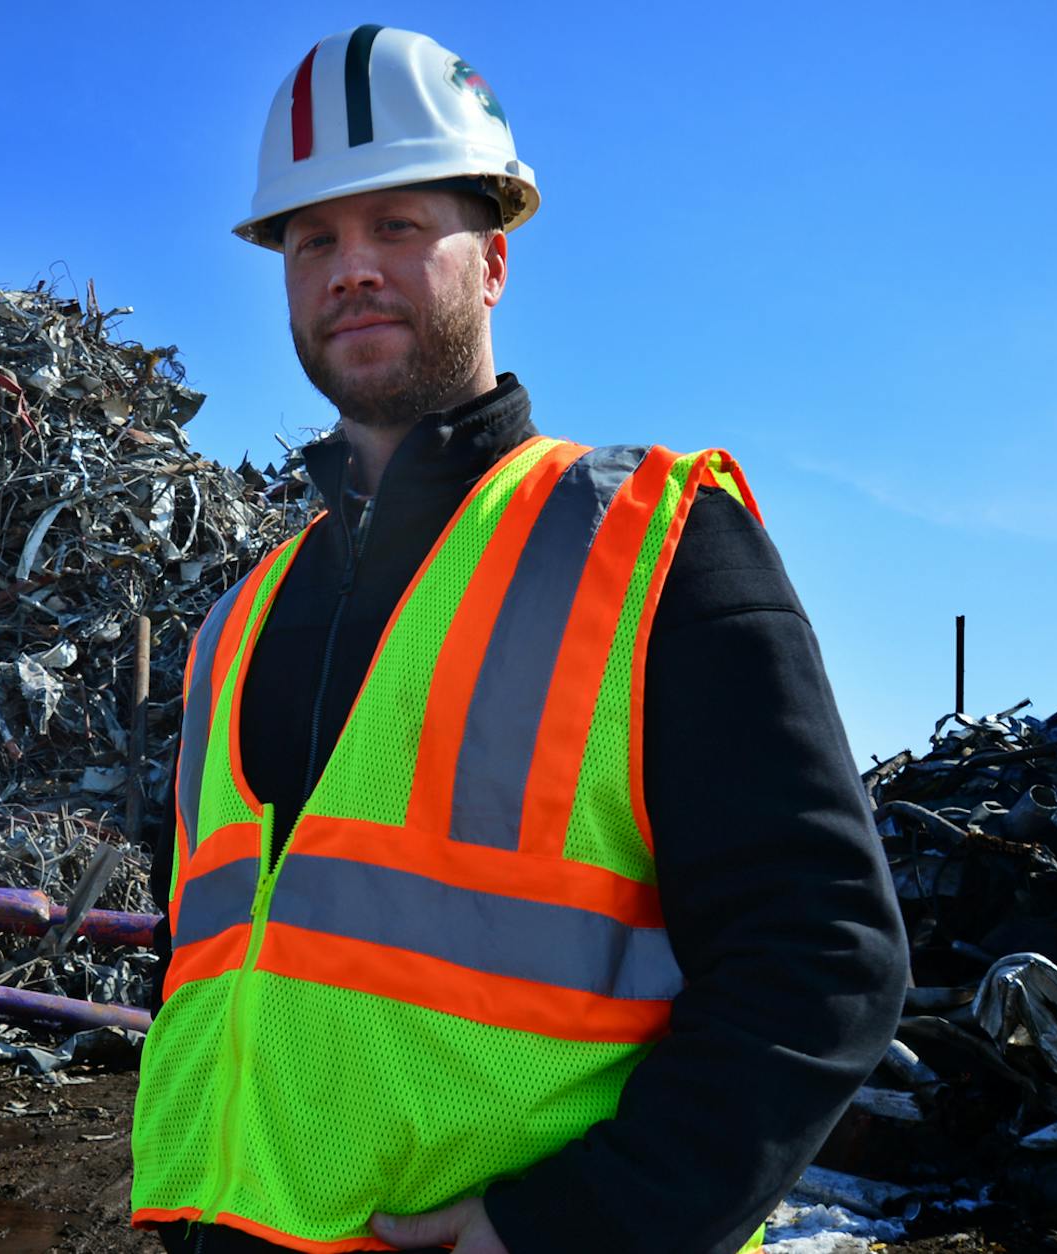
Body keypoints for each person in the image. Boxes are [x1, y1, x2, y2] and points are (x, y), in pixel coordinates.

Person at [129, 25, 909, 1254]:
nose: (352, 271)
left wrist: (560, 1231)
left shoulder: (649, 545)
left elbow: (823, 960)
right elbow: (220, 954)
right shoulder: (239, 620)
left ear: (493, 262)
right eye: (316, 237)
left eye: (398, 225)